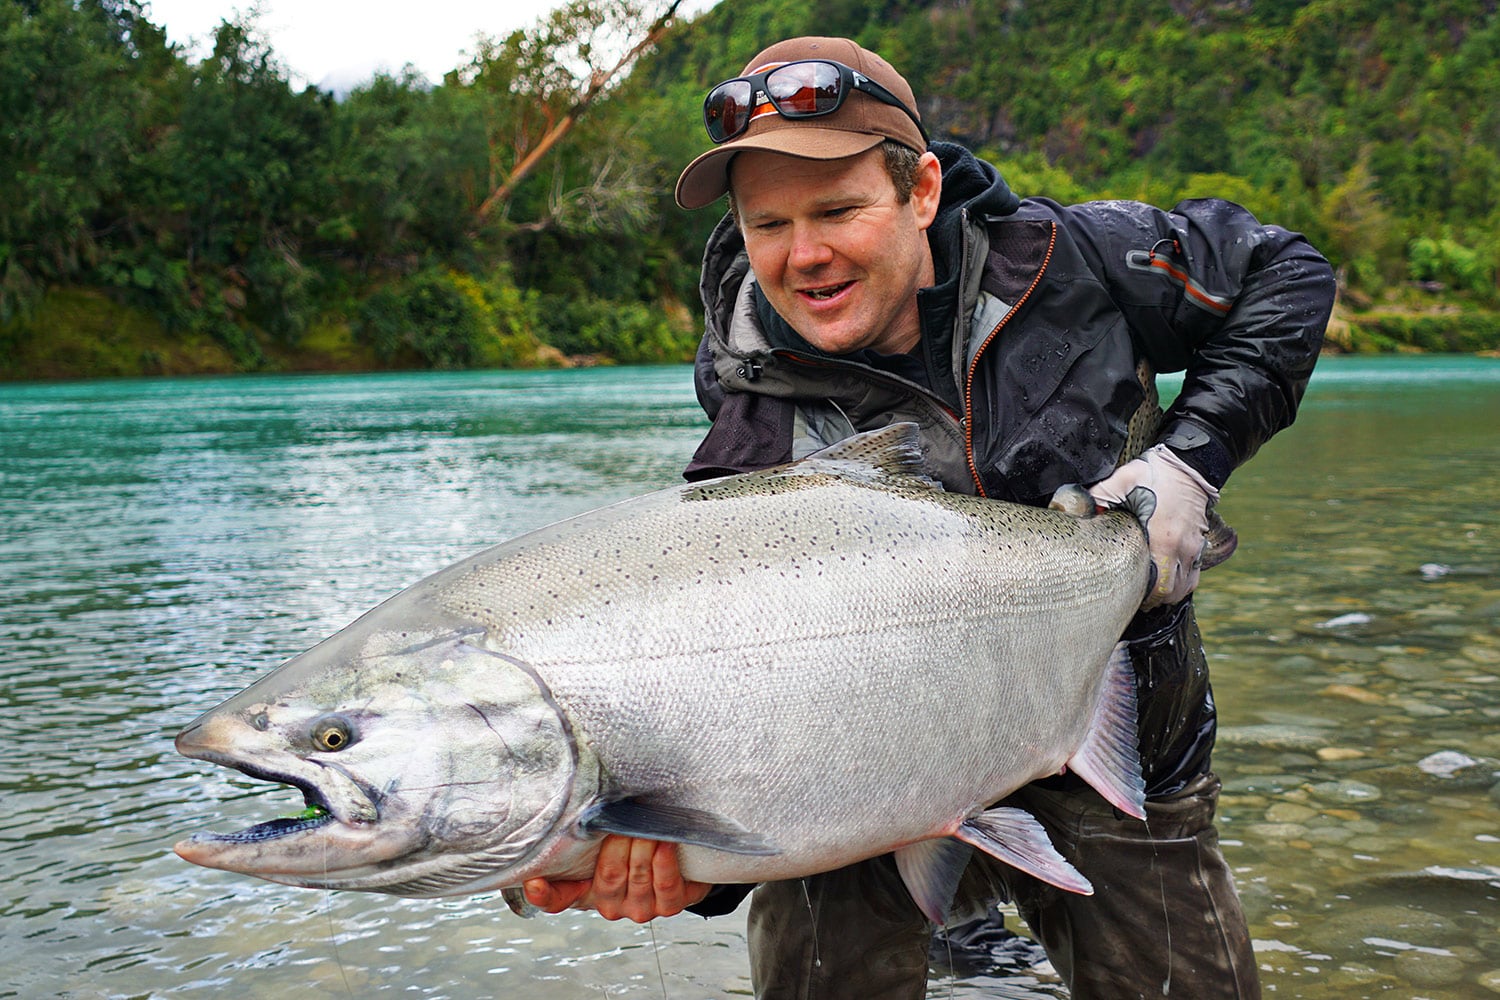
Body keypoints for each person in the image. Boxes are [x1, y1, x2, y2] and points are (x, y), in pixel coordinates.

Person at [523, 35, 1335, 999]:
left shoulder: (1079, 261)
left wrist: (1191, 463)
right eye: (768, 224)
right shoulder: (752, 433)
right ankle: (963, 915)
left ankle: (973, 926)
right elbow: (739, 711)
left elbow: (1283, 274)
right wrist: (669, 870)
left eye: (836, 210)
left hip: (1116, 739)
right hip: (873, 784)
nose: (805, 255)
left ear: (921, 192)